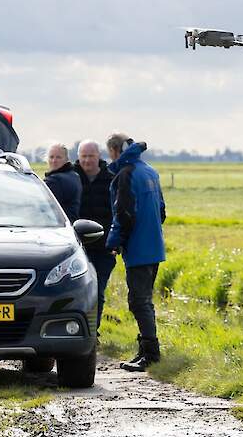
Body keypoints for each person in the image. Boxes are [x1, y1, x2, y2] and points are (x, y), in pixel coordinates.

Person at [105, 133, 166, 372]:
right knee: (144, 300)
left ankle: (151, 354)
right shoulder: (150, 171)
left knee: (139, 302)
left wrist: (113, 243)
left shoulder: (127, 174)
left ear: (115, 151)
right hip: (154, 244)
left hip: (139, 248)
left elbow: (124, 214)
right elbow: (161, 210)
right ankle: (146, 349)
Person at [72, 140, 116, 329]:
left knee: (97, 291)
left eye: (91, 156)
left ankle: (92, 332)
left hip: (103, 248)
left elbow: (118, 214)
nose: (87, 160)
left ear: (99, 156)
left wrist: (116, 243)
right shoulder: (71, 178)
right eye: (84, 156)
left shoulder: (111, 180)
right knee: (76, 292)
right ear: (79, 157)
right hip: (76, 249)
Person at [43, 143, 81, 221]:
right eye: (51, 157)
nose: (54, 161)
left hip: (57, 226)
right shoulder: (74, 175)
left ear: (66, 159)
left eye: (58, 157)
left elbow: (43, 209)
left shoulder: (55, 181)